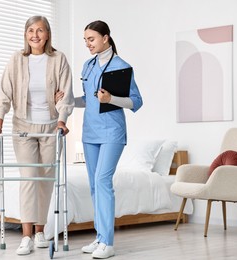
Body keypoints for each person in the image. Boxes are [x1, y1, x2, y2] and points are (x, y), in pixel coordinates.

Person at [0, 16, 74, 256]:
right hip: (23, 128)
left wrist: (61, 121)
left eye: (39, 30)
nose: (34, 35)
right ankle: (26, 236)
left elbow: (66, 94)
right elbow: (4, 92)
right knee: (29, 178)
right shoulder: (17, 60)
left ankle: (39, 231)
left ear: (47, 34)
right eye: (30, 30)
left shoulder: (58, 59)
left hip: (50, 128)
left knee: (46, 180)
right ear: (25, 34)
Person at [77, 20, 143, 259]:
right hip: (90, 132)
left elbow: (136, 102)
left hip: (112, 132)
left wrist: (112, 99)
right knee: (94, 185)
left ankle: (109, 243)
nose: (87, 44)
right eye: (85, 40)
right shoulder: (88, 65)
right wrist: (65, 100)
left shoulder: (122, 66)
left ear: (106, 37)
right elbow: (88, 99)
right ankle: (100, 237)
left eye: (91, 39)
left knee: (103, 180)